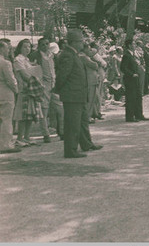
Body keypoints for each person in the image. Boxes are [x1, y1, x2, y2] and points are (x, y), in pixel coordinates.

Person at [54, 29, 102, 158]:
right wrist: (59, 89)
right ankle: (70, 150)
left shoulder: (73, 53)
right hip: (72, 95)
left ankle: (86, 143)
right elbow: (62, 75)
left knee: (82, 122)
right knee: (72, 124)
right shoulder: (67, 55)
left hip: (78, 94)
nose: (83, 44)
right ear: (74, 42)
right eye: (81, 41)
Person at [12, 39, 42, 146]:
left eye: (29, 46)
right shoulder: (18, 60)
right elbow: (25, 75)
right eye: (25, 46)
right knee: (23, 114)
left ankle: (27, 137)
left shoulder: (27, 59)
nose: (27, 49)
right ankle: (20, 138)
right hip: (24, 89)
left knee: (31, 113)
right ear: (20, 48)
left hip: (31, 89)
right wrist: (36, 80)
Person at [29, 37, 56, 143]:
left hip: (53, 83)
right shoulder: (36, 55)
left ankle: (61, 130)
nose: (45, 46)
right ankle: (45, 134)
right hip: (43, 84)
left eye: (47, 44)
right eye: (43, 44)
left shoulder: (52, 55)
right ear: (39, 46)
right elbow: (32, 69)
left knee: (58, 107)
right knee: (43, 109)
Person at [120, 39, 148, 122]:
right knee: (131, 98)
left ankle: (139, 114)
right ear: (129, 45)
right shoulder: (126, 55)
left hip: (136, 79)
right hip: (130, 79)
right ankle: (130, 117)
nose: (135, 45)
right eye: (133, 44)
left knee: (138, 97)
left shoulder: (132, 55)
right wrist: (131, 74)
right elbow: (123, 67)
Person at [0, 40, 21, 154]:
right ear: (1, 49)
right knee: (7, 119)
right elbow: (10, 80)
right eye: (7, 48)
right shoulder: (5, 63)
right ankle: (6, 144)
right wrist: (16, 90)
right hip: (5, 93)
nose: (8, 50)